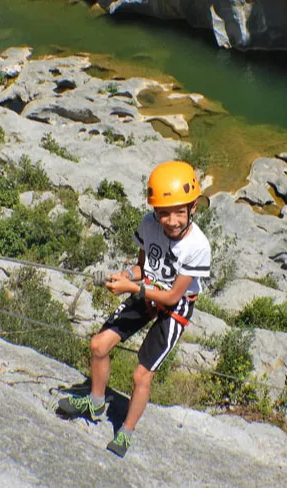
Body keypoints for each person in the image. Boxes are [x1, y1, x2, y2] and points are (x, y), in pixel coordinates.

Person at [58, 161, 211, 458]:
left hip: (175, 306)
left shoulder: (197, 246)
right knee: (98, 345)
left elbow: (172, 296)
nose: (171, 220)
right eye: (164, 212)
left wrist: (132, 288)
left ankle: (126, 431)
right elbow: (143, 267)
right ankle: (96, 402)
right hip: (148, 289)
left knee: (142, 376)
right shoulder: (148, 224)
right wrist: (127, 275)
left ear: (193, 207)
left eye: (179, 211)